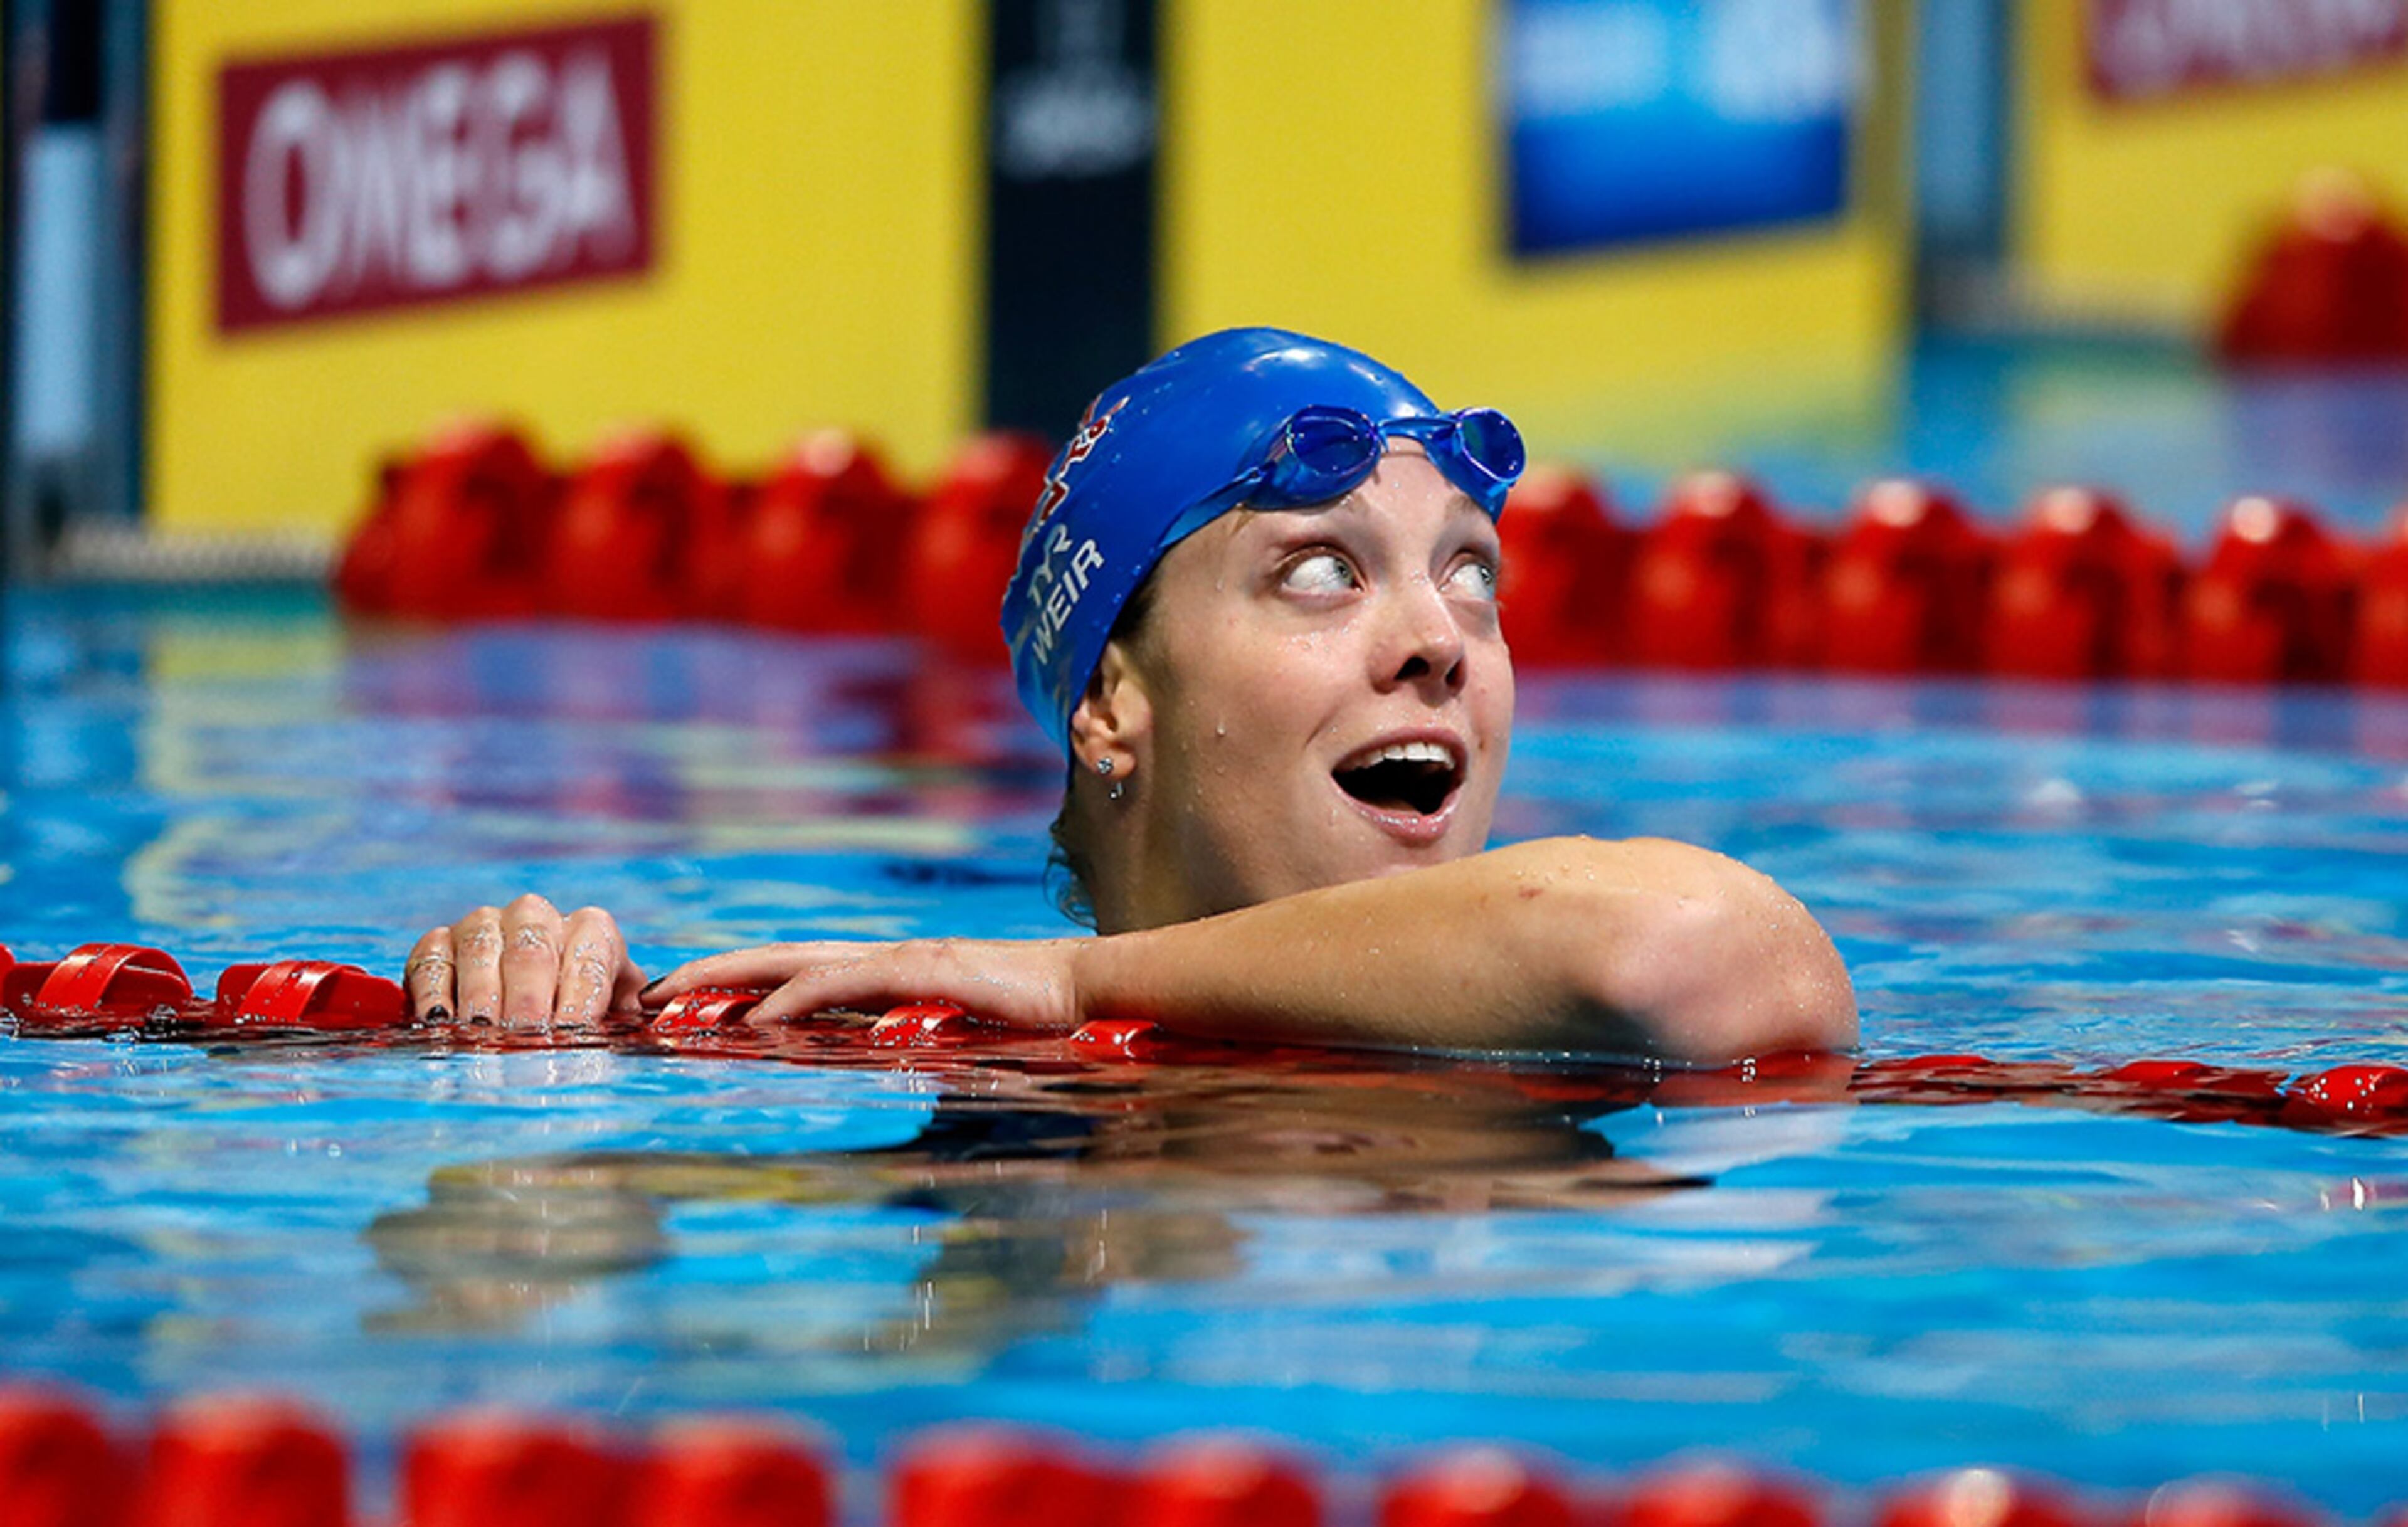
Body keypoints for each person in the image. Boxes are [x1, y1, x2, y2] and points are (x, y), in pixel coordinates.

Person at [403, 327, 1856, 1063]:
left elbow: (1717, 959)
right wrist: (531, 1070)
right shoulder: (976, 1104)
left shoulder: (1576, 1039)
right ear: (1108, 704)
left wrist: (1082, 980)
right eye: (1318, 575)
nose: (1440, 641)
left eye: (1472, 575)